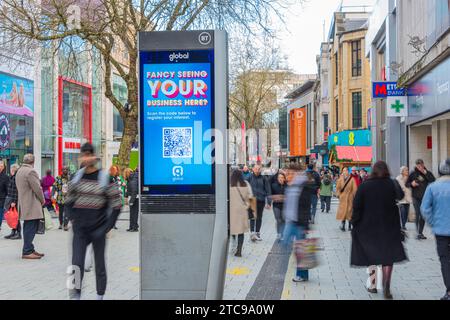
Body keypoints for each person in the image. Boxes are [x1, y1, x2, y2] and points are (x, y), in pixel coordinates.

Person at [65, 143, 122, 300]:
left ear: (95, 157)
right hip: (80, 229)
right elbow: (68, 202)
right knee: (76, 264)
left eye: (89, 154)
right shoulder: (76, 178)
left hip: (98, 229)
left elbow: (117, 205)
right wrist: (72, 219)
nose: (86, 158)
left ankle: (100, 296)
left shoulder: (105, 178)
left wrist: (106, 228)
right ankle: (74, 296)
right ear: (81, 157)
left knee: (99, 266)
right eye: (84, 154)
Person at [351, 161, 408, 300]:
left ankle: (373, 284)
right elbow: (400, 196)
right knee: (388, 257)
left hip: (368, 228)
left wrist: (355, 223)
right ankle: (386, 286)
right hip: (389, 227)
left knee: (371, 256)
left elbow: (356, 206)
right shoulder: (391, 183)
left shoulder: (365, 185)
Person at [421, 159, 450, 301]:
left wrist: (434, 223)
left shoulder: (433, 187)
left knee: (445, 260)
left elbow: (424, 209)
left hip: (441, 231)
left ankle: (449, 291)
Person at [282, 163, 316, 282]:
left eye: (289, 173)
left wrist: (306, 225)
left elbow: (306, 206)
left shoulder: (302, 186)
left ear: (295, 173)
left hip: (299, 222)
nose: (287, 176)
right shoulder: (291, 185)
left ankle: (301, 274)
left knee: (301, 249)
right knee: (290, 245)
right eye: (287, 173)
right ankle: (302, 272)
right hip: (290, 221)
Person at [16, 154, 45, 260]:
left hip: (23, 202)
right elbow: (37, 188)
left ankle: (30, 248)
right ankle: (27, 251)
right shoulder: (30, 172)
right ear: (33, 161)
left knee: (29, 226)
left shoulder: (19, 170)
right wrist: (42, 200)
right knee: (30, 227)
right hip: (31, 203)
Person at [406, 159, 436, 240]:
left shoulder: (427, 173)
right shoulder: (412, 174)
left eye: (421, 165)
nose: (420, 167)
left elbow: (433, 180)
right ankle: (418, 232)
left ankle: (420, 232)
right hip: (415, 197)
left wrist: (426, 173)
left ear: (423, 165)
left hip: (425, 197)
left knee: (422, 214)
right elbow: (407, 184)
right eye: (418, 166)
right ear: (416, 166)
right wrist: (411, 184)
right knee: (418, 213)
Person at [230, 169, 253, 257]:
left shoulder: (230, 185)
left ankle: (233, 243)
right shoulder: (246, 184)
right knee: (241, 232)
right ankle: (239, 251)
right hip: (242, 211)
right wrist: (247, 206)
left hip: (231, 211)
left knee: (232, 229)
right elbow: (250, 196)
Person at [247, 164, 270, 241]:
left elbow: (268, 190)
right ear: (253, 169)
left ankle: (257, 233)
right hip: (252, 199)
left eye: (259, 169)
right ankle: (252, 234)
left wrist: (269, 202)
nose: (257, 170)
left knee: (259, 217)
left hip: (261, 200)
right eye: (256, 169)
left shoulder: (264, 178)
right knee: (252, 217)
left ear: (261, 170)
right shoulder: (249, 177)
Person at [336, 167, 357, 231]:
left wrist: (355, 197)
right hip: (343, 198)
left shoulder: (352, 179)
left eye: (345, 170)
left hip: (350, 198)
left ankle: (350, 226)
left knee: (349, 212)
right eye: (343, 171)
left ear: (348, 171)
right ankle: (343, 225)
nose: (344, 172)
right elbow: (338, 188)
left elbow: (354, 189)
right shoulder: (340, 179)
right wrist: (339, 195)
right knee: (343, 212)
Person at [4, 164, 21, 240]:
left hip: (14, 200)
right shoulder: (12, 177)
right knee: (12, 217)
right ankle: (13, 231)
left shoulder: (16, 178)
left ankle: (18, 233)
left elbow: (15, 191)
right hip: (11, 199)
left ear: (13, 170)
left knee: (15, 217)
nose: (10, 171)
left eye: (11, 169)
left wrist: (14, 201)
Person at [269, 172, 286, 240]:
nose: (280, 179)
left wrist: (281, 197)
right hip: (276, 206)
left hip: (285, 206)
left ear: (284, 178)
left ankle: (283, 233)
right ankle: (279, 233)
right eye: (279, 178)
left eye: (282, 177)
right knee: (278, 220)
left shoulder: (287, 186)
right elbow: (271, 195)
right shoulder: (274, 185)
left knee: (283, 220)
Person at [396, 166, 413, 231]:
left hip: (408, 198)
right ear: (402, 171)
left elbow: (410, 186)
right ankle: (402, 225)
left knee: (406, 213)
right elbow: (398, 187)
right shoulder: (398, 178)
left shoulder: (409, 178)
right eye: (406, 170)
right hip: (401, 198)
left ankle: (404, 224)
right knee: (402, 212)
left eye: (407, 170)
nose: (407, 171)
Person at [0, 160, 10, 231]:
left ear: (3, 167)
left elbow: (8, 189)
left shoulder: (6, 177)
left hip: (1, 199)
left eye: (1, 166)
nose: (0, 167)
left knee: (0, 214)